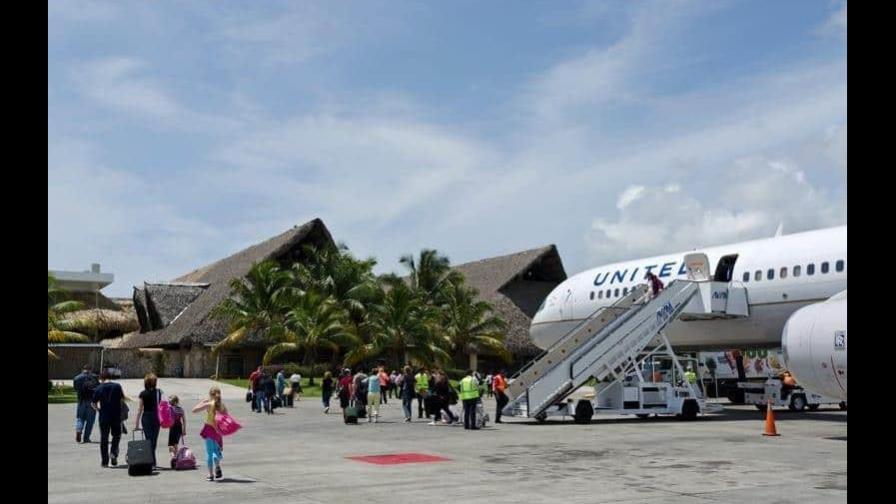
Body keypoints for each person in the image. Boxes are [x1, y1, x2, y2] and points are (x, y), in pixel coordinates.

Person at [192, 386, 227, 481]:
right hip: (218, 431)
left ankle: (211, 474)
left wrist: (202, 402)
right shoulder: (222, 406)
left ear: (210, 395)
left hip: (209, 430)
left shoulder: (209, 404)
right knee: (216, 450)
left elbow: (194, 410)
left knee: (209, 453)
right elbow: (227, 418)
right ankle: (218, 466)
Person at [90, 370, 124, 467]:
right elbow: (122, 400)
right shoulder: (117, 386)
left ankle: (104, 461)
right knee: (116, 435)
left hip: (104, 416)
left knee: (104, 438)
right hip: (116, 415)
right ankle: (113, 452)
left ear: (101, 379)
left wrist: (98, 410)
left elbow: (93, 403)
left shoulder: (99, 388)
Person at [134, 373, 163, 467]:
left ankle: (151, 462)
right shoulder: (159, 392)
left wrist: (137, 424)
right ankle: (152, 462)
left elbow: (140, 409)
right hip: (156, 417)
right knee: (154, 441)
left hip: (146, 417)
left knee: (148, 440)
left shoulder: (143, 393)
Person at [74, 364, 99, 444]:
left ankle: (78, 430)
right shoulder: (94, 377)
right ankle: (86, 438)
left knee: (80, 418)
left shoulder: (77, 378)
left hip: (81, 401)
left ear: (83, 369)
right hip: (92, 401)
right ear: (90, 369)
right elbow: (98, 389)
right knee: (90, 421)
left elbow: (75, 389)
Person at [167, 395, 186, 468]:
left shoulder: (170, 408)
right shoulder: (181, 409)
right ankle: (176, 457)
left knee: (171, 445)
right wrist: (184, 429)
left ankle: (175, 457)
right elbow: (184, 420)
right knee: (175, 443)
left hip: (173, 427)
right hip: (179, 427)